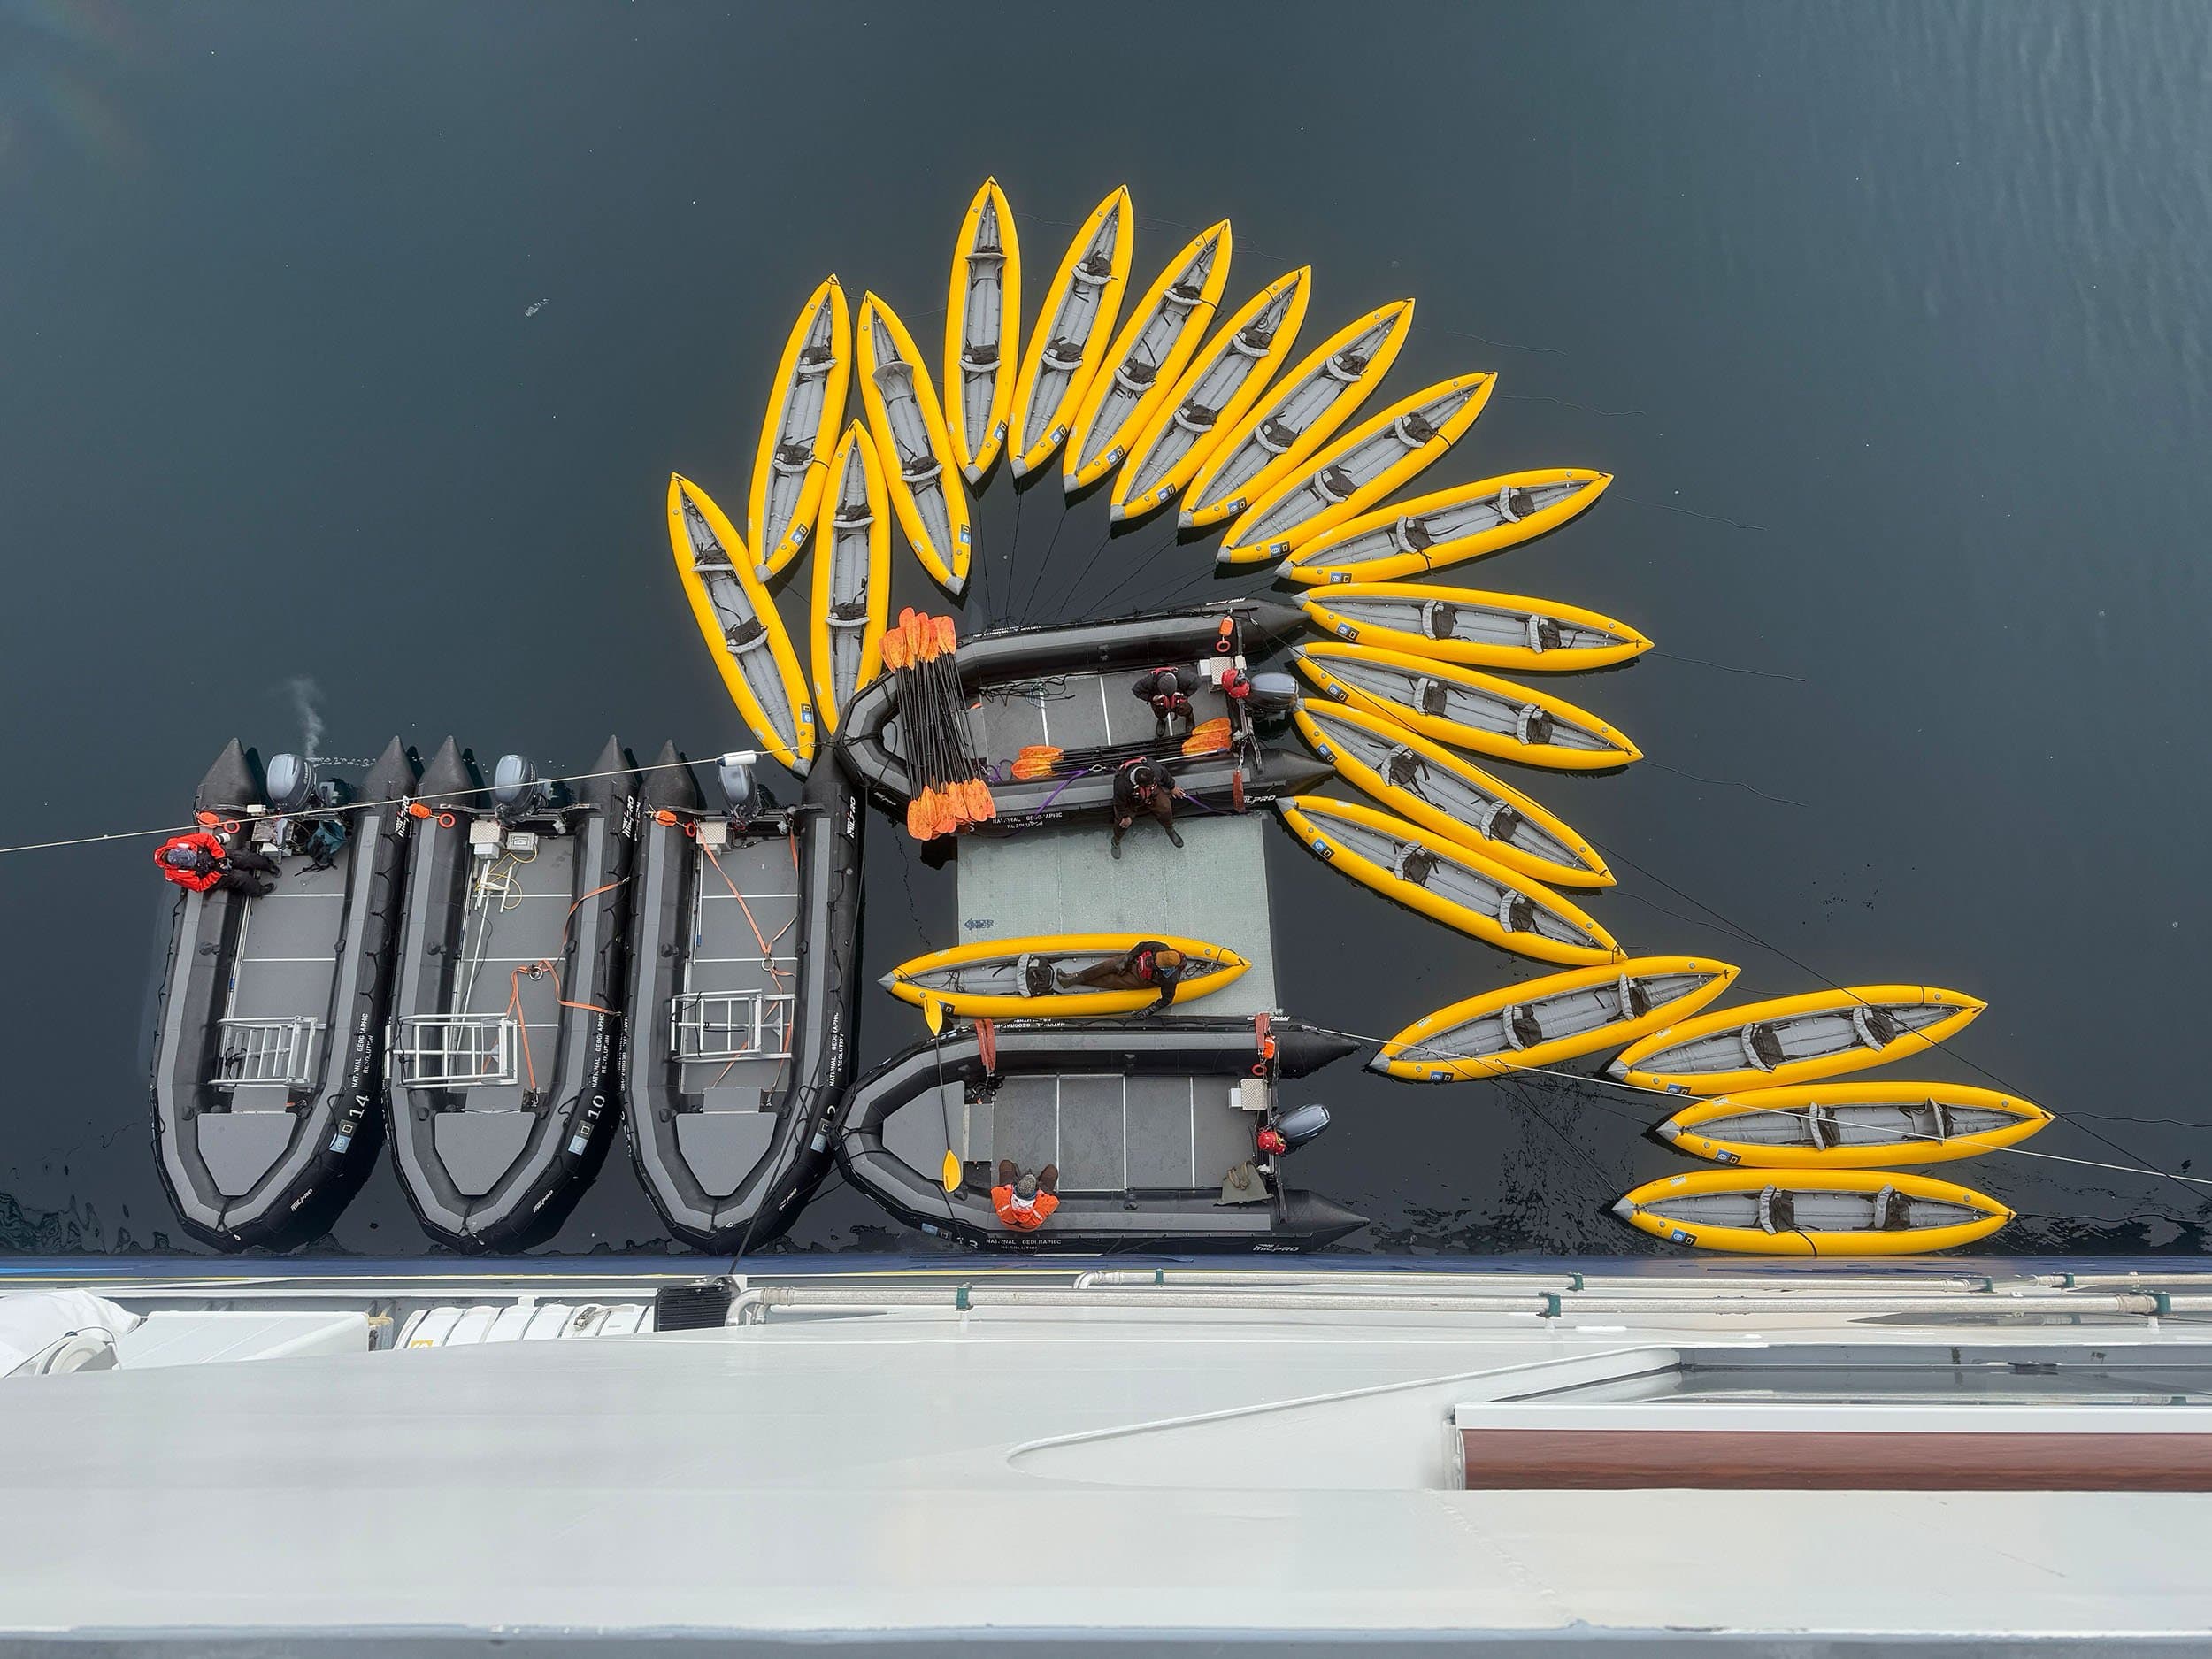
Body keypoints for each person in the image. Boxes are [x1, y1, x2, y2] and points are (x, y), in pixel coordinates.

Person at [1056, 941, 1186, 1011]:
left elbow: (1167, 999)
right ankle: (1072, 978)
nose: (1155, 959)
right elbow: (1141, 946)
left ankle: (1071, 981)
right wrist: (1126, 960)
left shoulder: (1170, 979)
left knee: (1108, 980)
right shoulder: (1160, 948)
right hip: (1134, 962)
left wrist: (1149, 1010)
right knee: (1106, 966)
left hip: (1140, 979)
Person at [152, 831, 281, 898]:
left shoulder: (176, 842)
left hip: (215, 855)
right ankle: (257, 891)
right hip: (210, 875)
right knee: (240, 877)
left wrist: (220, 858)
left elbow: (207, 839)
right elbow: (199, 886)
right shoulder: (174, 875)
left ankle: (268, 865)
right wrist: (218, 872)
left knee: (244, 857)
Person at [1110, 756, 1187, 859]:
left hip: (1152, 794)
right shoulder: (1121, 783)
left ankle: (1170, 829)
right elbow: (1119, 802)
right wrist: (1125, 816)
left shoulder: (1154, 768)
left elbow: (1165, 774)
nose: (1153, 784)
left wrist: (1172, 787)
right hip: (1130, 799)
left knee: (1165, 807)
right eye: (1149, 785)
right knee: (1121, 823)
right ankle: (1116, 840)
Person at [991, 1160, 1060, 1233]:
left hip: (1007, 1223)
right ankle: (1040, 1180)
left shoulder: (1001, 1197)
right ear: (1035, 1193)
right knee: (1052, 1171)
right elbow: (1055, 1201)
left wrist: (1008, 1188)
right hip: (1029, 1227)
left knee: (1005, 1164)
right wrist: (1041, 1195)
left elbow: (995, 1191)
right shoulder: (1043, 1206)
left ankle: (1014, 1169)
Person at [1131, 665, 1195, 740]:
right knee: (1159, 713)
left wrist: (1186, 694)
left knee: (1186, 709)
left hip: (1178, 700)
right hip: (1160, 702)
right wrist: (1151, 698)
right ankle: (1162, 720)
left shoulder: (1183, 677)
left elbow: (1196, 681)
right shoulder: (1149, 681)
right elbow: (1136, 690)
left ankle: (1189, 717)